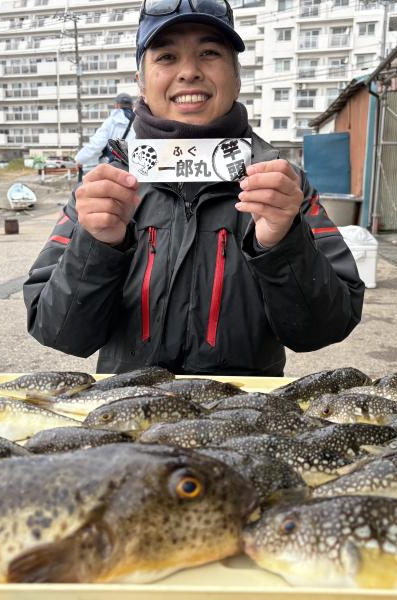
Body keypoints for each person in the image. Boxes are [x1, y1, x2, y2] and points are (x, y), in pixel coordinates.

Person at [24, 0, 364, 376]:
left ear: (236, 78)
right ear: (141, 81)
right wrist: (98, 245)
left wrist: (282, 243)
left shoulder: (283, 185)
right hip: (130, 415)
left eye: (209, 53)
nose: (188, 72)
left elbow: (326, 328)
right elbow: (58, 332)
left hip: (243, 420)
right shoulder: (104, 189)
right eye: (166, 57)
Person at [75, 92, 136, 174]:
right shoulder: (140, 122)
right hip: (134, 170)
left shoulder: (111, 122)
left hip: (112, 169)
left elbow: (96, 145)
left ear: (117, 106)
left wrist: (80, 159)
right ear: (132, 106)